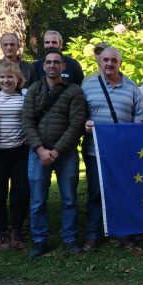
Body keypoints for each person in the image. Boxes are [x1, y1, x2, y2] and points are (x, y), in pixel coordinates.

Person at [23, 49, 87, 257]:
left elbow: (76, 123)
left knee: (69, 199)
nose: (52, 66)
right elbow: (27, 122)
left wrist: (57, 151)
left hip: (65, 154)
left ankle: (69, 238)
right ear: (43, 66)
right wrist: (41, 150)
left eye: (56, 62)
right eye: (48, 62)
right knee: (38, 200)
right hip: (37, 153)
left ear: (63, 66)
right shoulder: (33, 89)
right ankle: (39, 240)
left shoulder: (74, 91)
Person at [82, 47, 143, 250]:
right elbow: (77, 113)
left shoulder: (131, 86)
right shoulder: (87, 84)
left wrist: (133, 130)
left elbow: (140, 114)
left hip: (123, 152)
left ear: (120, 63)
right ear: (99, 62)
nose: (109, 64)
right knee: (96, 192)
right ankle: (93, 234)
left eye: (113, 60)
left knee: (123, 191)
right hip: (96, 151)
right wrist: (85, 123)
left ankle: (124, 231)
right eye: (105, 60)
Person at [0, 62, 30, 250]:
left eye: (10, 77)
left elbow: (32, 118)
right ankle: (2, 232)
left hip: (19, 153)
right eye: (2, 77)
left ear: (18, 79)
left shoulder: (25, 96)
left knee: (21, 193)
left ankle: (16, 231)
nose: (6, 80)